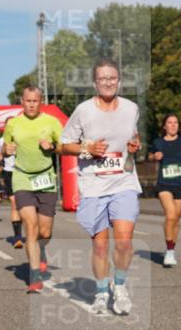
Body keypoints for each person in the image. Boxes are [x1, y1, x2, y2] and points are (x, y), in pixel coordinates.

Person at [60, 59, 142, 314]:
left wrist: (134, 145)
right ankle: (101, 292)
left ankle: (120, 286)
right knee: (100, 245)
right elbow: (63, 145)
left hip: (124, 180)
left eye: (113, 78)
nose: (108, 82)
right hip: (94, 185)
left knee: (124, 241)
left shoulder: (131, 108)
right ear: (95, 83)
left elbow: (133, 136)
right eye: (103, 78)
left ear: (119, 80)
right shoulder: (84, 111)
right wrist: (87, 147)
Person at [3, 85, 63, 293]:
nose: (31, 104)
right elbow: (5, 148)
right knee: (31, 225)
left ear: (40, 102)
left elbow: (65, 146)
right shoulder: (13, 124)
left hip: (46, 178)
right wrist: (6, 150)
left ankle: (42, 249)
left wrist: (53, 147)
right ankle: (35, 277)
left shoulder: (52, 122)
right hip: (22, 178)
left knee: (45, 231)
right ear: (22, 101)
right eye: (28, 101)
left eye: (35, 101)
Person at [149, 113, 181, 267]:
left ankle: (170, 248)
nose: (173, 125)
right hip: (164, 184)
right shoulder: (158, 142)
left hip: (180, 184)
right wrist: (154, 157)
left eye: (175, 123)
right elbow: (150, 156)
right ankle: (170, 251)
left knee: (176, 220)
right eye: (170, 123)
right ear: (164, 126)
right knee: (170, 215)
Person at [0, 136, 24, 248]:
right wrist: (1, 156)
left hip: (24, 172)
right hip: (10, 172)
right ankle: (17, 237)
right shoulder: (2, 140)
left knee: (25, 205)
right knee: (15, 203)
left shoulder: (24, 136)